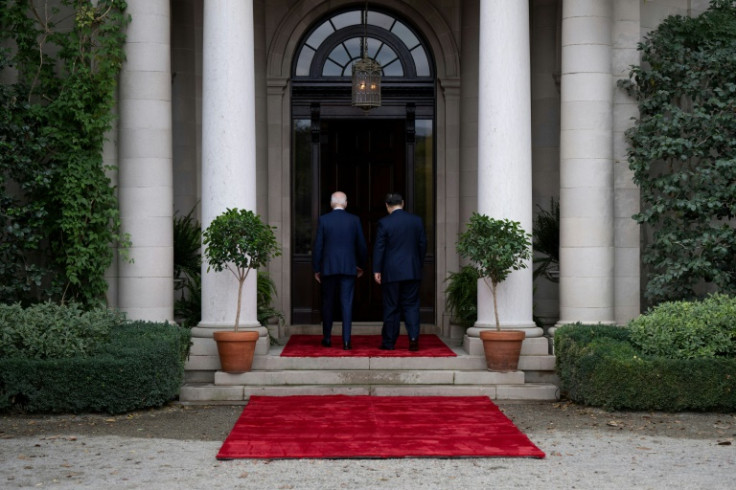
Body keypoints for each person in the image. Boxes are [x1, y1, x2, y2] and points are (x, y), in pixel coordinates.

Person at [312, 191, 368, 350]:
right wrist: (361, 266)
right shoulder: (354, 220)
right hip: (348, 268)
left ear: (331, 203)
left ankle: (327, 338)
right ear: (346, 203)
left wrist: (317, 268)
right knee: (347, 304)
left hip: (328, 268)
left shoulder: (324, 220)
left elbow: (318, 247)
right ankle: (346, 341)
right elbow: (362, 246)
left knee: (328, 303)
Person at [373, 192, 427, 351]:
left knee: (391, 307)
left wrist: (377, 269)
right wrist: (418, 263)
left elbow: (379, 248)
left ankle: (389, 342)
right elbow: (423, 244)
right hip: (412, 270)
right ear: (402, 203)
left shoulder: (384, 222)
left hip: (391, 272)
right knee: (411, 305)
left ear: (387, 206)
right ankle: (413, 338)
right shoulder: (416, 221)